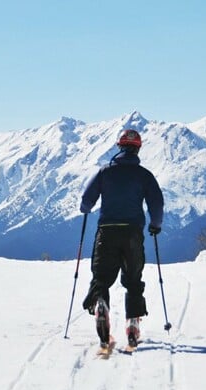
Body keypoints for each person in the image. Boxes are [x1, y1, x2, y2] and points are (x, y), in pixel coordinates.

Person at [80, 129, 164, 349]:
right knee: (133, 280)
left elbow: (86, 200)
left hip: (106, 232)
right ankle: (133, 325)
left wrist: (85, 208)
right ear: (137, 148)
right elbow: (157, 203)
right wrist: (155, 225)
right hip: (132, 233)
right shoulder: (144, 175)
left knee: (101, 277)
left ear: (119, 147)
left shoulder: (104, 172)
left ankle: (100, 305)